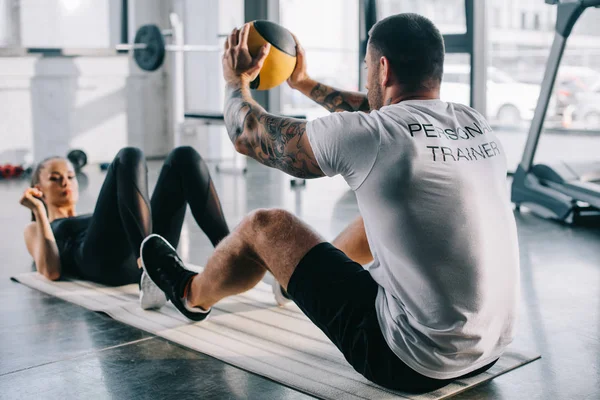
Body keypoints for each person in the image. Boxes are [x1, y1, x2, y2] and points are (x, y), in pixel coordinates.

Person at [139, 13, 520, 393]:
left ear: (382, 69)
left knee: (265, 227)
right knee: (382, 215)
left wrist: (234, 81)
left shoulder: (377, 137)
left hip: (409, 360)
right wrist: (303, 83)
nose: (368, 74)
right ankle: (293, 286)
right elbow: (374, 111)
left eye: (368, 66)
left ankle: (190, 294)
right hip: (489, 349)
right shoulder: (472, 122)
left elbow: (247, 134)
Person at [20, 146, 229, 309]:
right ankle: (149, 267)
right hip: (101, 262)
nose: (65, 183)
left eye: (70, 177)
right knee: (128, 155)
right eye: (55, 179)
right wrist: (39, 210)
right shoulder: (36, 227)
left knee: (184, 156)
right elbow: (51, 271)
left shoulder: (95, 218)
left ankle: (231, 254)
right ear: (38, 189)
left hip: (134, 249)